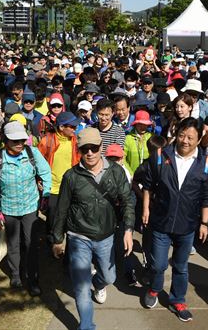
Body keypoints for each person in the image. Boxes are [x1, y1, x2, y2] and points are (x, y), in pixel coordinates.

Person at [50, 127, 135, 330]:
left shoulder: (116, 172)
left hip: (106, 236)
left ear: (101, 147)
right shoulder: (71, 176)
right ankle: (86, 326)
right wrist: (57, 239)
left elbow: (127, 202)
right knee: (81, 287)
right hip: (79, 236)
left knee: (109, 277)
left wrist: (129, 229)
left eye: (94, 148)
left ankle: (98, 284)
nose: (89, 153)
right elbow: (61, 209)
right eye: (85, 149)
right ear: (79, 150)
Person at [141, 118, 208, 322]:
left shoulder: (205, 163)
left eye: (191, 137)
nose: (185, 141)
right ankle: (155, 289)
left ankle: (177, 299)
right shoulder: (160, 156)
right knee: (159, 265)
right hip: (160, 222)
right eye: (182, 135)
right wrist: (146, 208)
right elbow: (148, 184)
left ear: (199, 140)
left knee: (181, 266)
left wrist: (204, 223)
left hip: (187, 224)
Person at [0, 121, 52, 296]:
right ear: (5, 140)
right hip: (8, 209)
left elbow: (45, 173)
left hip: (30, 207)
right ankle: (15, 275)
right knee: (13, 244)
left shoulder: (33, 153)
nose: (20, 144)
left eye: (22, 140)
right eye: (15, 140)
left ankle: (33, 279)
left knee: (31, 244)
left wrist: (45, 195)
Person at [38, 111, 81, 234]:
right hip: (53, 189)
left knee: (69, 221)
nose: (75, 129)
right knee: (52, 222)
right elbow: (38, 163)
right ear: (61, 127)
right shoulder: (47, 141)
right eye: (72, 126)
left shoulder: (75, 141)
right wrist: (40, 181)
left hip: (70, 188)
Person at [124, 110, 153, 175]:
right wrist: (130, 173)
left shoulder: (151, 137)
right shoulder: (128, 138)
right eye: (140, 124)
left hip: (149, 176)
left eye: (145, 124)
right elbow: (123, 159)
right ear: (135, 124)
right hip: (132, 176)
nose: (143, 127)